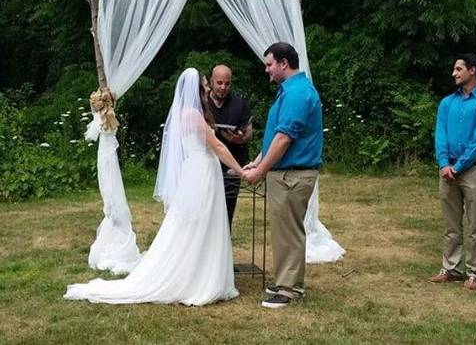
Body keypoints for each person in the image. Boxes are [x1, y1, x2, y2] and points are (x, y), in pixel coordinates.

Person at [64, 68, 243, 306]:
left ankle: (204, 273)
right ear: (197, 89)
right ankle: (196, 279)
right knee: (195, 226)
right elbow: (218, 147)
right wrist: (241, 170)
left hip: (203, 171)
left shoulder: (191, 113)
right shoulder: (191, 114)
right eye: (205, 85)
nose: (209, 88)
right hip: (201, 173)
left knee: (204, 224)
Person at [244, 42, 323, 308]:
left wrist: (261, 171)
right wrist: (256, 162)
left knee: (288, 231)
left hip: (292, 174)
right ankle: (285, 281)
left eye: (269, 64)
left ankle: (289, 289)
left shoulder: (297, 93)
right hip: (285, 173)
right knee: (283, 230)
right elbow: (274, 137)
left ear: (283, 63)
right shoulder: (289, 91)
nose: (266, 69)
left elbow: (284, 138)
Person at [428, 53, 476, 291]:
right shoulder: (447, 103)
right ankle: (451, 268)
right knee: (451, 225)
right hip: (448, 169)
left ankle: (475, 272)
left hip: (473, 170)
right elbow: (441, 135)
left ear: (472, 71)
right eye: (454, 69)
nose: (454, 73)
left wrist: (458, 167)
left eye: (458, 69)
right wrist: (444, 163)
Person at [208, 64, 253, 230]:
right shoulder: (202, 102)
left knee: (227, 208)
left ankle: (224, 242)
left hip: (232, 163)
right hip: (207, 164)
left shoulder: (239, 104)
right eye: (219, 83)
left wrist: (239, 139)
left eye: (227, 83)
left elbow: (249, 132)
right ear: (212, 81)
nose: (223, 87)